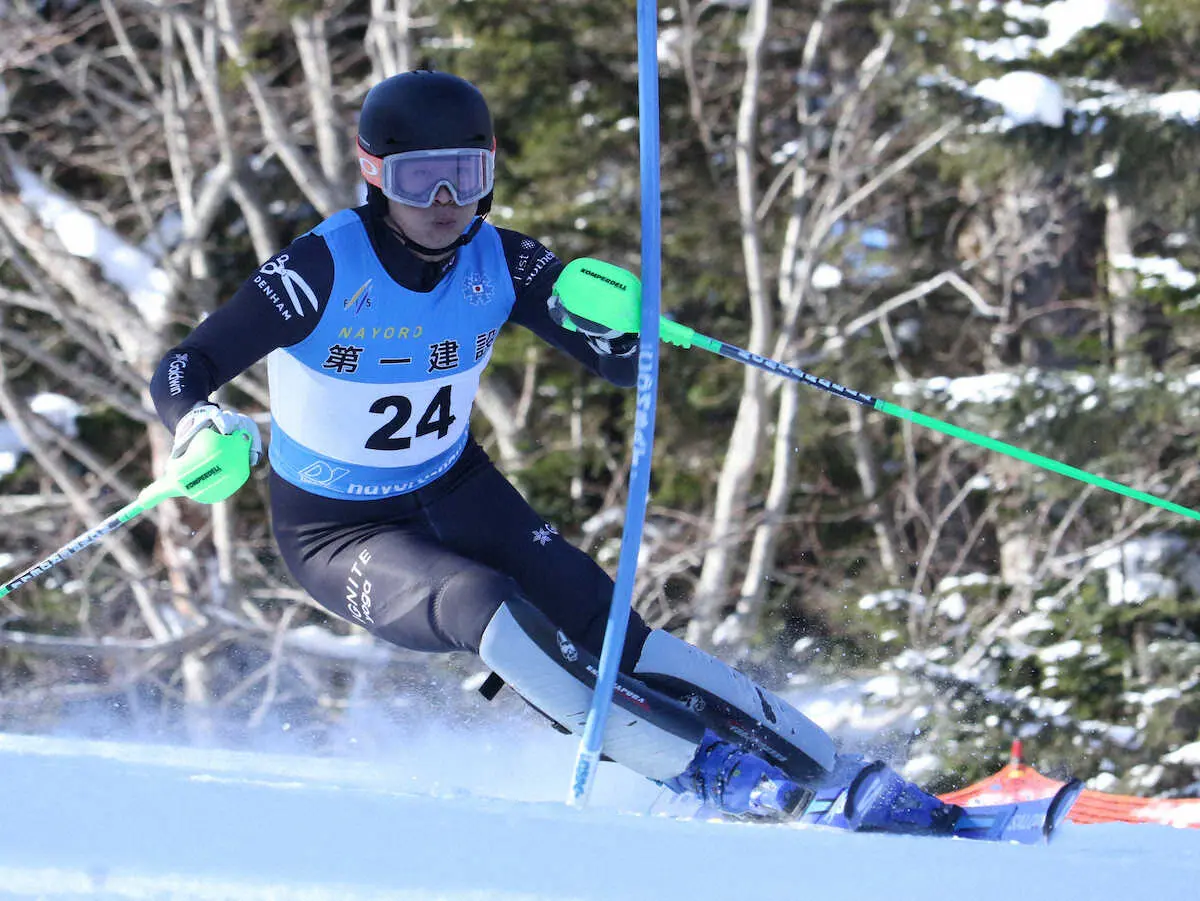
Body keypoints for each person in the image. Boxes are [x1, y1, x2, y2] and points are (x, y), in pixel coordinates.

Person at [151, 69, 956, 831]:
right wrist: (199, 422)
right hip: (338, 529)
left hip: (455, 487)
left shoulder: (499, 258)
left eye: (464, 177)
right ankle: (704, 771)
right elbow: (186, 365)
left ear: (489, 173)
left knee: (616, 635)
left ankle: (842, 774)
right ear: (372, 173)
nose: (442, 203)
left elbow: (612, 359)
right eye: (417, 179)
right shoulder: (323, 268)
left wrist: (622, 328)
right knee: (480, 602)